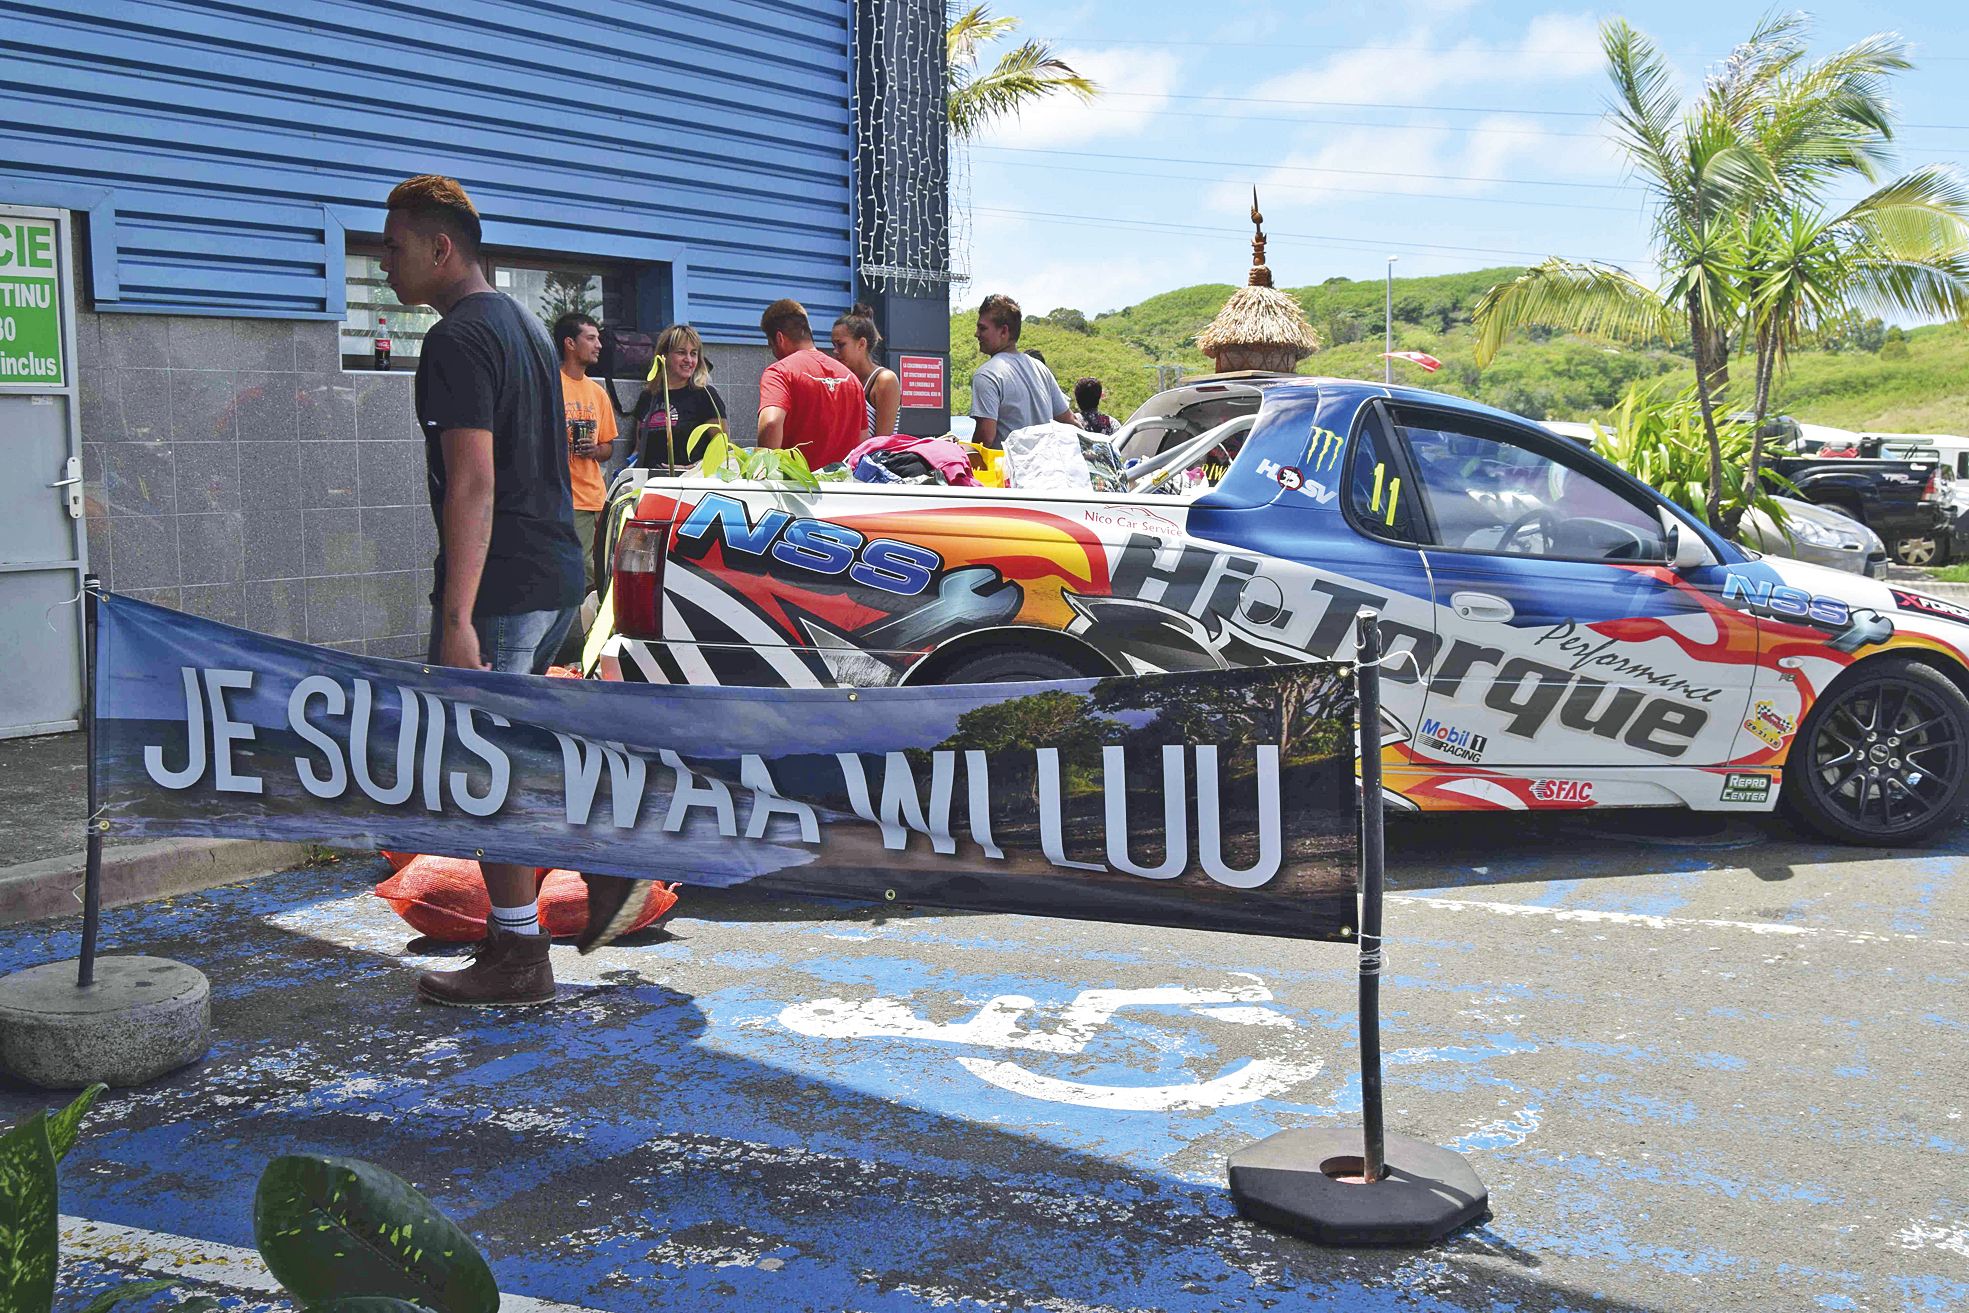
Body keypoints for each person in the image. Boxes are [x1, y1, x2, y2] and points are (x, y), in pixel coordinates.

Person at [379, 173, 585, 1007]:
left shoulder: (461, 338)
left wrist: (457, 615)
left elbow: (472, 483)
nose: (384, 263)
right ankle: (550, 913)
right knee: (522, 760)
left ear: (441, 247)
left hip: (504, 588)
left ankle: (518, 956)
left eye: (394, 247)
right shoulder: (523, 324)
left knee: (491, 770)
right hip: (554, 575)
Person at [553, 312, 618, 594]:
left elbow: (608, 448)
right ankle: (580, 635)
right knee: (582, 571)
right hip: (566, 497)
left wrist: (595, 450)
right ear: (570, 343)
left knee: (601, 570)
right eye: (590, 338)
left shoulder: (598, 392)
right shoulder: (550, 386)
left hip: (597, 498)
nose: (598, 345)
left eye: (598, 338)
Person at [756, 298, 864, 468]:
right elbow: (862, 441)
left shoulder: (780, 372)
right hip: (843, 489)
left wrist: (762, 472)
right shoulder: (851, 379)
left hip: (796, 488)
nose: (774, 352)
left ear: (779, 338)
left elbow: (770, 423)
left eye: (772, 345)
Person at [969, 294, 1076, 445]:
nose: (977, 334)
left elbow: (985, 438)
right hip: (1047, 467)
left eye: (982, 328)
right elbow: (1068, 420)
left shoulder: (987, 375)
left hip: (1008, 468)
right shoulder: (1041, 369)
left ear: (1003, 331)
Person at [632, 323, 727, 471]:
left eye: (693, 353)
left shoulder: (705, 395)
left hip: (689, 485)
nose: (689, 360)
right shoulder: (648, 396)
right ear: (664, 355)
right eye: (682, 352)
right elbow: (638, 450)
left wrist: (692, 468)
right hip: (651, 485)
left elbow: (723, 452)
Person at [831, 303, 899, 439]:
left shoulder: (885, 380)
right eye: (834, 345)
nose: (835, 351)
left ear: (861, 344)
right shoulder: (843, 379)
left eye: (841, 345)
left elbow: (882, 442)